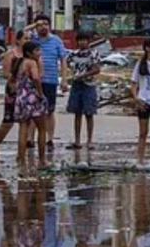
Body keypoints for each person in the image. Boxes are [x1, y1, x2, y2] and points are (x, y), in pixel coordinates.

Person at [24, 14, 68, 152]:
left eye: (45, 24)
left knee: (49, 110)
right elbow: (21, 34)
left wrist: (64, 79)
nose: (43, 27)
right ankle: (30, 138)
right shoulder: (32, 40)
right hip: (33, 80)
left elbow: (63, 60)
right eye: (40, 25)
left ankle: (49, 138)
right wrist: (33, 25)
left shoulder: (56, 41)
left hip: (51, 80)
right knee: (33, 110)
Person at [0, 30, 25, 162]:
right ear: (18, 40)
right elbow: (6, 73)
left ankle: (21, 154)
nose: (27, 41)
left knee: (26, 122)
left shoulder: (31, 54)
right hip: (13, 90)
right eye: (25, 39)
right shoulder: (10, 54)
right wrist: (16, 80)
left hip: (27, 91)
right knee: (8, 122)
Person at [14, 40, 48, 166]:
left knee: (23, 129)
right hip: (32, 97)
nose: (39, 53)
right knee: (42, 129)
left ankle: (21, 158)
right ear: (29, 53)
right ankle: (42, 159)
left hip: (21, 97)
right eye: (37, 51)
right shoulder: (32, 63)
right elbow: (36, 78)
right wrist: (40, 93)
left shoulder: (21, 62)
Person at [65, 33, 101, 149]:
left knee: (89, 113)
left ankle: (89, 140)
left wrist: (83, 75)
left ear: (88, 41)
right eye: (80, 40)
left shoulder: (93, 53)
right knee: (77, 113)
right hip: (76, 85)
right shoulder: (73, 54)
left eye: (84, 40)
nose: (82, 43)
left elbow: (97, 69)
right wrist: (72, 74)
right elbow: (66, 63)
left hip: (89, 85)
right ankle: (77, 140)